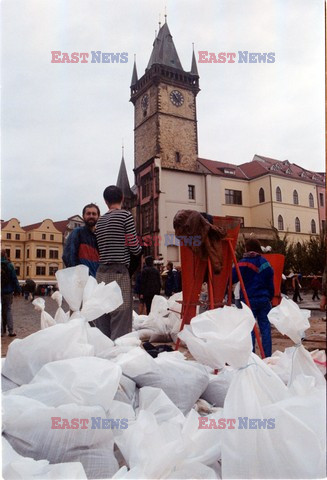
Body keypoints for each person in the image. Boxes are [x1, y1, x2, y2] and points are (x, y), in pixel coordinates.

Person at [95, 186, 142, 340]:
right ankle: (117, 356)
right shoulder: (125, 216)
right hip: (119, 272)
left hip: (101, 273)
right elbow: (134, 248)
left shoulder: (100, 221)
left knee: (103, 315)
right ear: (122, 197)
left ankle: (103, 351)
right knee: (120, 317)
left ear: (105, 201)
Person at [232, 238, 274, 357]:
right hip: (263, 299)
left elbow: (232, 278)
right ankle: (267, 357)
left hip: (248, 300)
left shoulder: (242, 263)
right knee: (265, 328)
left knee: (250, 329)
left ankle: (252, 358)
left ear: (246, 248)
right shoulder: (265, 263)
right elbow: (270, 281)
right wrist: (270, 296)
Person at [62, 203, 100, 278]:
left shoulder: (99, 236)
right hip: (81, 280)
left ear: (98, 217)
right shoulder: (77, 232)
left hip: (96, 280)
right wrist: (79, 275)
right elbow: (68, 256)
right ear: (83, 216)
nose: (91, 216)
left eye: (94, 214)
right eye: (88, 214)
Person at [1, 249, 21, 337]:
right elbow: (14, 279)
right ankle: (11, 331)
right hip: (8, 291)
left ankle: (1, 332)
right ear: (6, 255)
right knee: (8, 310)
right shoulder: (9, 265)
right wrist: (18, 290)